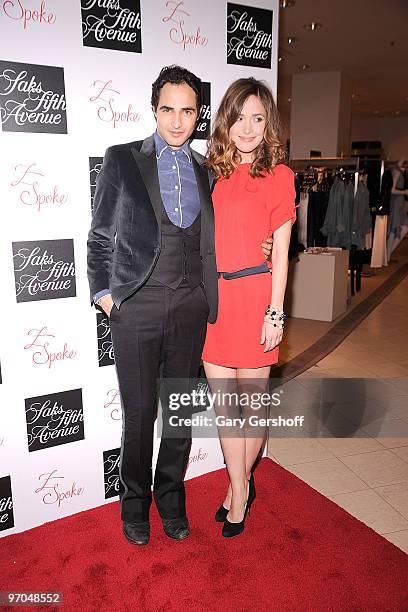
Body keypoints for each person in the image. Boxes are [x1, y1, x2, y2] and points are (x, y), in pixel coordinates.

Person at [87, 66, 272, 546]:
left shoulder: (208, 170)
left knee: (178, 414)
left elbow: (233, 229)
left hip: (193, 307)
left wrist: (268, 247)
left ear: (197, 116)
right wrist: (108, 299)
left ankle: (170, 499)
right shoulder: (122, 160)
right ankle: (134, 505)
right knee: (139, 412)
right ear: (154, 111)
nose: (176, 120)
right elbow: (100, 237)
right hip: (138, 308)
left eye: (187, 111)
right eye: (167, 109)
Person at [202, 77, 296, 538]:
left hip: (257, 300)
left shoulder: (280, 176)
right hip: (215, 305)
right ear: (227, 120)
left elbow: (280, 253)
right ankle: (240, 488)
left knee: (253, 412)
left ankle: (238, 487)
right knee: (225, 411)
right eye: (240, 116)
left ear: (268, 125)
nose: (248, 127)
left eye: (258, 118)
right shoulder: (210, 174)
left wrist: (275, 312)